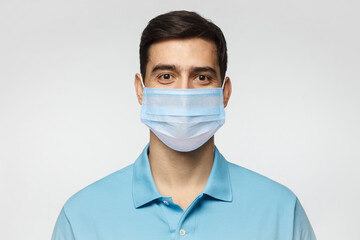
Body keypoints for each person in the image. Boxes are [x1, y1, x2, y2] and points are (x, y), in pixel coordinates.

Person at [51, 10, 316, 240]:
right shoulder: (82, 217)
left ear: (224, 93)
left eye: (201, 77)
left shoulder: (281, 211)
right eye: (166, 76)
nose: (184, 94)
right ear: (140, 90)